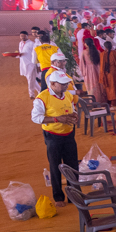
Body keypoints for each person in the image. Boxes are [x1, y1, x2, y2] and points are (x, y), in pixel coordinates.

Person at [31, 68, 79, 206]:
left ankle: (74, 195)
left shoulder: (68, 95)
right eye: (62, 84)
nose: (65, 86)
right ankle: (58, 197)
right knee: (55, 165)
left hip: (69, 134)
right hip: (53, 136)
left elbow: (72, 108)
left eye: (66, 84)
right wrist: (57, 119)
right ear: (52, 84)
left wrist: (73, 115)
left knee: (73, 165)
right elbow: (36, 118)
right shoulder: (42, 98)